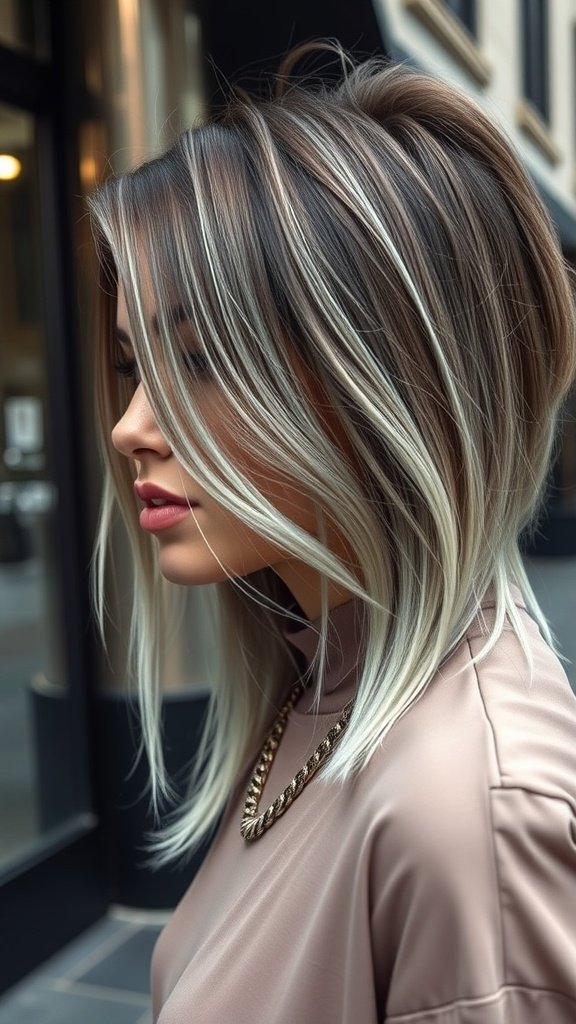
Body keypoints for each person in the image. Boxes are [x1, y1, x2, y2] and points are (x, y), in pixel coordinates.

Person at [88, 41, 576, 1024]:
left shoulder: (468, 815)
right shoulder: (317, 682)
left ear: (378, 383)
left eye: (202, 359)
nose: (131, 426)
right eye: (136, 364)